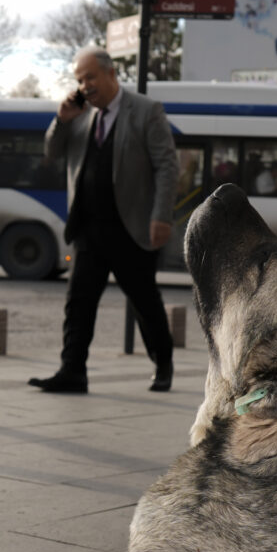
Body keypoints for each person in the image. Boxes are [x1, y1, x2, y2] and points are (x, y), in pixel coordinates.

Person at [28, 47, 177, 395]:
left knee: (144, 301)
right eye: (80, 79)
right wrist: (61, 119)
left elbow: (167, 166)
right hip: (88, 229)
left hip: (131, 227)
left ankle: (164, 363)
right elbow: (51, 154)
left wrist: (161, 216)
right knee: (78, 301)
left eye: (90, 77)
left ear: (111, 74)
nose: (85, 85)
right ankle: (72, 371)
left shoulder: (145, 110)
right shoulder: (78, 113)